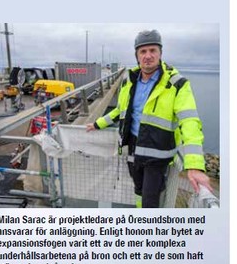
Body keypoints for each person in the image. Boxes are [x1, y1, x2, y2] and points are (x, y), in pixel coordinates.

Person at [88, 30, 209, 208]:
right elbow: (120, 111)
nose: (148, 56)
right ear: (137, 55)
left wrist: (195, 165)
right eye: (142, 52)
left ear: (160, 54)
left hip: (158, 153)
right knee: (137, 189)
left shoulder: (177, 84)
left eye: (153, 50)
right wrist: (97, 124)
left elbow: (190, 122)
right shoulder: (130, 80)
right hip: (133, 147)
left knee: (150, 200)